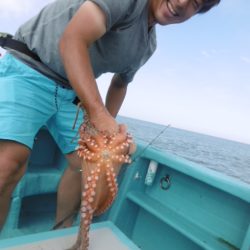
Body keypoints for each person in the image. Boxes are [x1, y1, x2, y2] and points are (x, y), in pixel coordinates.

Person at [0, 0, 220, 231]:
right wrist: (98, 114)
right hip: (29, 69)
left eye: (195, 3)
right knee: (8, 164)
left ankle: (62, 229)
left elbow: (120, 83)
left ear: (196, 13)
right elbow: (72, 40)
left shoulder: (147, 46)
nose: (182, 2)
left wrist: (106, 128)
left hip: (71, 93)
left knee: (85, 164)